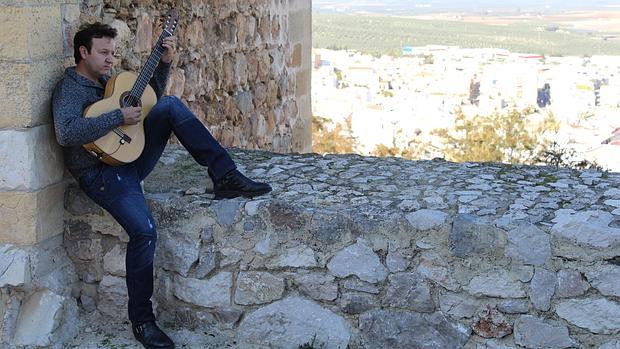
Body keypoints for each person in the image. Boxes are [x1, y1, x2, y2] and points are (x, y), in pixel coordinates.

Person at [52, 22, 271, 349]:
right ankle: (142, 321)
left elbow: (146, 102)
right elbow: (66, 133)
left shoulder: (106, 81)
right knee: (145, 231)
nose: (112, 59)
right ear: (83, 52)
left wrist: (165, 63)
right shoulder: (70, 89)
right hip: (100, 174)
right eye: (104, 52)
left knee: (169, 105)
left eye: (113, 52)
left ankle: (224, 175)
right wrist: (117, 118)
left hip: (130, 155)